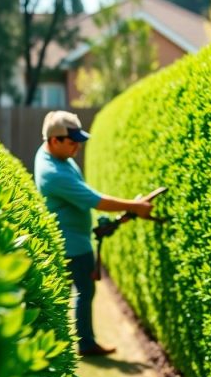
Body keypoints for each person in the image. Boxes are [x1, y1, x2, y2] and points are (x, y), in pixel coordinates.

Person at [34, 110, 153, 357]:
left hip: (74, 238)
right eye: (72, 142)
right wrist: (134, 206)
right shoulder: (52, 173)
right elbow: (95, 200)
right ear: (54, 140)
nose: (77, 147)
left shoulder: (55, 156)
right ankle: (82, 344)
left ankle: (75, 343)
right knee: (82, 292)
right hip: (72, 245)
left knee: (78, 293)